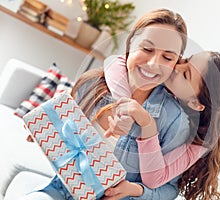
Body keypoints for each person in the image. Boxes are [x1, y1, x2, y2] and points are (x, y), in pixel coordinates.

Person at [5, 8, 191, 200]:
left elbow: (169, 190)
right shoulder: (92, 84)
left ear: (176, 63)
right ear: (130, 45)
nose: (153, 64)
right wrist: (46, 133)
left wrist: (134, 190)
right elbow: (65, 137)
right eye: (147, 49)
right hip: (61, 190)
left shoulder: (174, 120)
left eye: (167, 58)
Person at [101, 51, 220, 200]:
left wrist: (148, 125)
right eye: (186, 60)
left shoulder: (197, 142)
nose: (177, 68)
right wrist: (125, 105)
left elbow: (155, 179)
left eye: (186, 75)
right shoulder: (165, 81)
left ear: (195, 103)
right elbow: (114, 61)